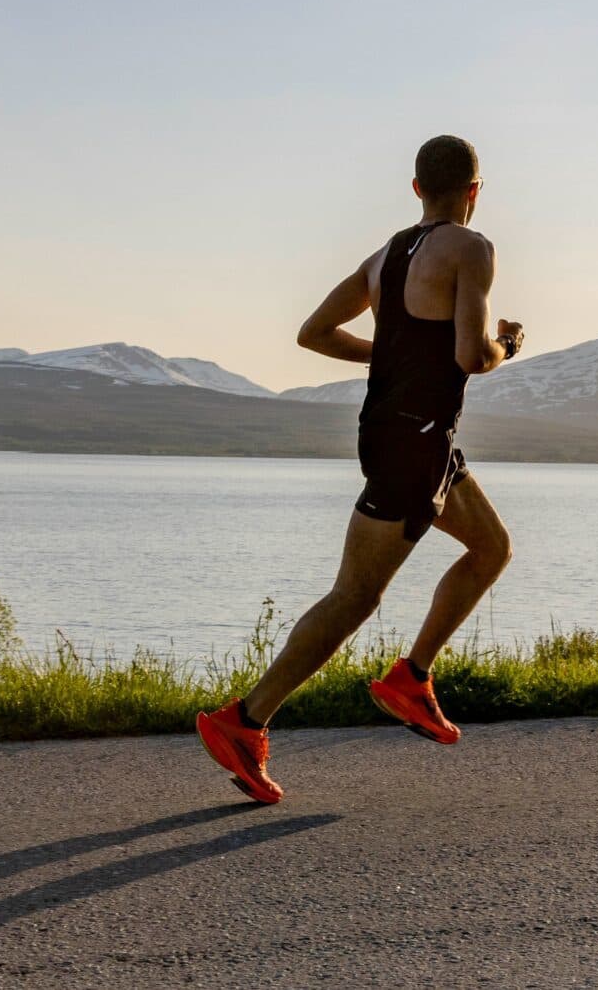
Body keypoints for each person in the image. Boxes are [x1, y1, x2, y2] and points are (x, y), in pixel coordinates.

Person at [195, 134, 522, 804]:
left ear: (414, 188)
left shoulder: (386, 255)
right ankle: (245, 719)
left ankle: (413, 677)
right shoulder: (472, 247)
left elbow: (313, 331)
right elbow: (470, 354)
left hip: (402, 436)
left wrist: (393, 352)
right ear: (475, 191)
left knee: (491, 546)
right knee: (355, 596)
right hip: (416, 443)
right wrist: (507, 345)